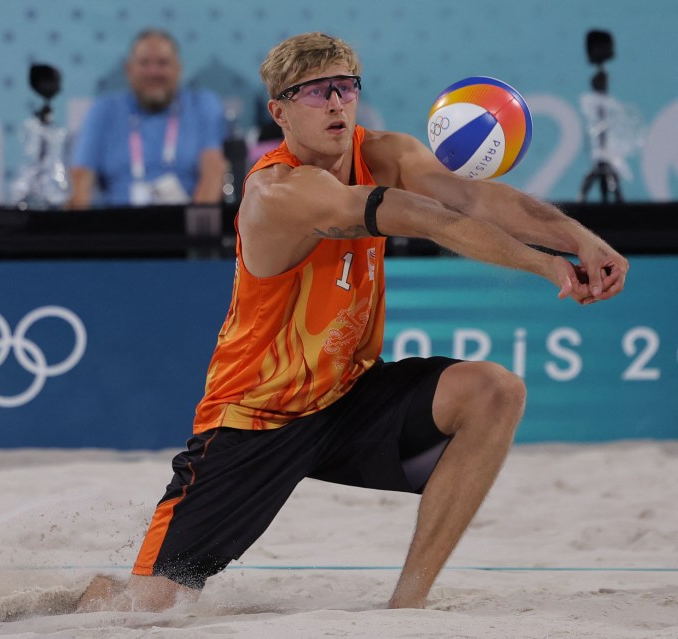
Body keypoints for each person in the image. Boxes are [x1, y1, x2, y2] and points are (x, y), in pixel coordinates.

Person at [77, 32, 629, 612]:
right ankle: (84, 599)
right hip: (257, 418)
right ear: (280, 111)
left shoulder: (384, 149)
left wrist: (582, 242)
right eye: (315, 92)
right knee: (148, 606)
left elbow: (471, 200)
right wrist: (547, 266)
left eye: (345, 87)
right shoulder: (278, 190)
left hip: (347, 396)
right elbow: (426, 217)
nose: (336, 102)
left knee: (495, 391)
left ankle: (407, 606)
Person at [67, 29, 227, 208]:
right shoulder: (104, 110)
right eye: (144, 63)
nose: (153, 72)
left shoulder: (202, 105)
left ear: (178, 69)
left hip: (184, 227)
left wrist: (193, 231)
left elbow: (213, 174)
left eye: (163, 63)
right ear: (129, 70)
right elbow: (81, 180)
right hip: (118, 226)